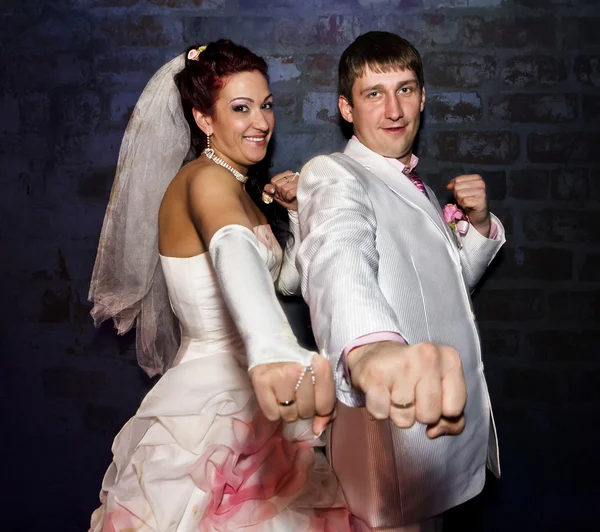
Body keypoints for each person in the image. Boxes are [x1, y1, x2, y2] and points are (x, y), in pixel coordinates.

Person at [88, 39, 351, 531]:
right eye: (240, 108)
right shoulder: (206, 182)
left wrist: (294, 217)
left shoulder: (236, 185)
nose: (261, 122)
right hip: (213, 404)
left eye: (267, 105)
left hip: (245, 396)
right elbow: (234, 249)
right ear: (204, 119)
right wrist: (275, 350)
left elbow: (285, 281)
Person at [296, 31, 506, 532]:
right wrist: (368, 348)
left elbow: (440, 290)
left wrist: (475, 229)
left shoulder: (416, 184)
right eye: (374, 94)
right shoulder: (334, 175)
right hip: (393, 443)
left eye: (405, 90)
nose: (394, 110)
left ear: (423, 97)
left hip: (440, 437)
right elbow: (337, 255)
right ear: (347, 108)